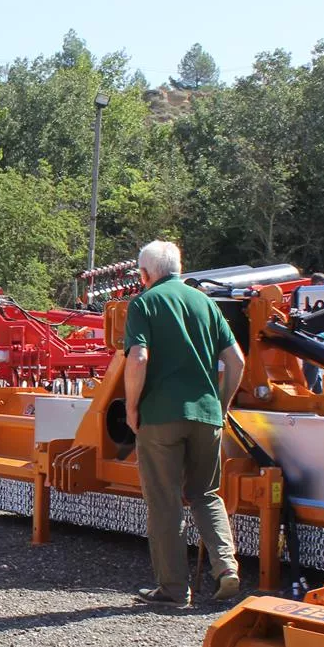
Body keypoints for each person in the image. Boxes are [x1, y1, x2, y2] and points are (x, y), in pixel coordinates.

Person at [123, 240, 246, 606]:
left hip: (160, 415)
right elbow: (237, 361)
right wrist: (220, 406)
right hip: (206, 415)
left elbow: (138, 358)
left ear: (145, 274)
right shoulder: (206, 303)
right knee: (206, 494)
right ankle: (226, 567)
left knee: (165, 502)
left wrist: (131, 406)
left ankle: (174, 590)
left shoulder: (144, 303)